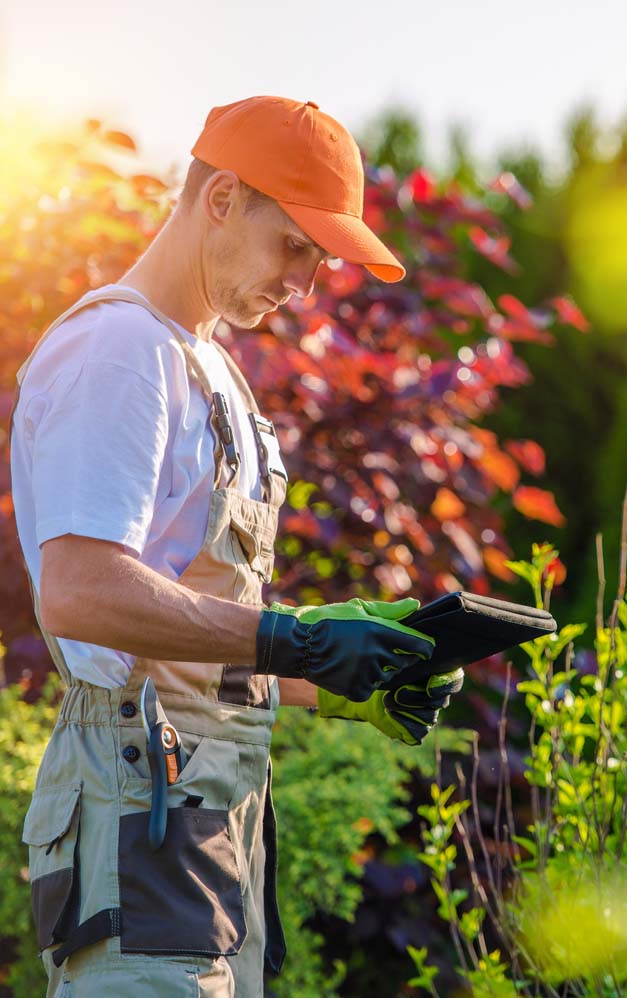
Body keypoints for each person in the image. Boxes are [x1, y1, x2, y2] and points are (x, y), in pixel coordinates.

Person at [9, 95, 465, 997]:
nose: (305, 280)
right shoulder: (120, 351)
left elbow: (199, 647)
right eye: (295, 244)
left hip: (210, 828)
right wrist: (293, 636)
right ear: (221, 199)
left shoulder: (210, 368)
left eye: (321, 258)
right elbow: (80, 591)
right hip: (135, 816)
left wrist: (339, 676)